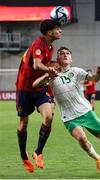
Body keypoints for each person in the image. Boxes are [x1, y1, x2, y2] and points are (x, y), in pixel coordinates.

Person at [33, 47, 100, 176]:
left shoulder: (76, 71)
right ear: (58, 59)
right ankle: (98, 159)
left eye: (67, 53)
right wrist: (46, 75)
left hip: (85, 111)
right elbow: (35, 85)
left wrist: (99, 74)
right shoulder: (52, 75)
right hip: (68, 117)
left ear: (71, 58)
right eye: (62, 54)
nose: (65, 55)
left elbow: (94, 79)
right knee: (81, 138)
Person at [15, 19, 62, 173]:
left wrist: (51, 68)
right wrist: (50, 70)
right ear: (49, 32)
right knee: (23, 122)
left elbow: (43, 67)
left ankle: (38, 152)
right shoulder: (39, 44)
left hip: (39, 87)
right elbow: (36, 65)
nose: (60, 31)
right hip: (25, 88)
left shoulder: (51, 46)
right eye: (57, 29)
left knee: (48, 117)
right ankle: (24, 155)